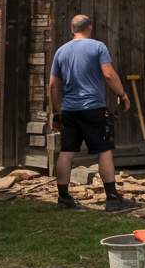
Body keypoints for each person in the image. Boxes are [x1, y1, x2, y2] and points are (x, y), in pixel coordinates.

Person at [48, 14, 133, 211]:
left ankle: (63, 198)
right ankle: (112, 198)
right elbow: (109, 74)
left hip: (69, 110)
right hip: (93, 108)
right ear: (90, 27)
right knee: (104, 151)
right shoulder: (98, 47)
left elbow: (53, 85)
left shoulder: (61, 51)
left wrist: (56, 112)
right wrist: (123, 94)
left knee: (67, 153)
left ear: (72, 29)